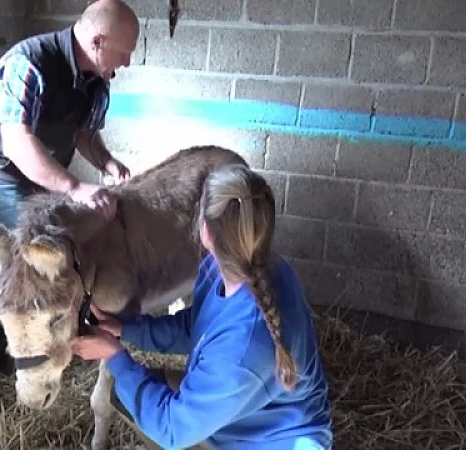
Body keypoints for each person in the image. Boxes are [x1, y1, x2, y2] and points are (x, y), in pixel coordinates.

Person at [72, 164, 334, 450]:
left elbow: (171, 430)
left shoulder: (243, 348)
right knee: (128, 393)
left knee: (146, 403)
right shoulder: (237, 269)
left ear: (205, 231)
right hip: (248, 419)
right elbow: (196, 325)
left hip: (275, 440)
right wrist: (127, 329)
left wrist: (114, 355)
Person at [0, 0, 140, 374]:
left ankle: (59, 336)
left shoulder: (96, 83)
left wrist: (106, 163)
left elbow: (85, 137)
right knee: (29, 253)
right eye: (124, 53)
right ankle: (0, 352)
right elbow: (16, 143)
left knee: (56, 250)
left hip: (42, 170)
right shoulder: (28, 64)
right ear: (98, 41)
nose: (126, 63)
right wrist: (75, 188)